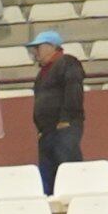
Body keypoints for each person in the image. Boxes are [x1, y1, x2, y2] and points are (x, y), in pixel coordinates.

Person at [27, 31, 87, 183]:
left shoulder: (67, 62)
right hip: (48, 130)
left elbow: (73, 90)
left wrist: (66, 119)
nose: (35, 52)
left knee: (67, 167)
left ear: (50, 47)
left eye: (38, 47)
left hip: (63, 127)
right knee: (49, 172)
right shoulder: (44, 71)